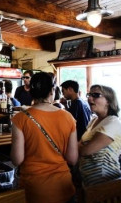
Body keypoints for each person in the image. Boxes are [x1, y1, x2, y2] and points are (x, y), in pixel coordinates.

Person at [10, 72, 78, 203]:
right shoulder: (68, 117)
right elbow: (72, 159)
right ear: (52, 90)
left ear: (31, 91)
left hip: (35, 189)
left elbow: (17, 160)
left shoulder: (20, 118)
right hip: (63, 187)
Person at [79, 85, 121, 186]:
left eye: (95, 95)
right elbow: (81, 145)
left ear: (108, 101)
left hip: (105, 181)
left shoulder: (113, 122)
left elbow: (86, 150)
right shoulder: (93, 120)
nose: (89, 98)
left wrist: (81, 146)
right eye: (89, 95)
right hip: (88, 181)